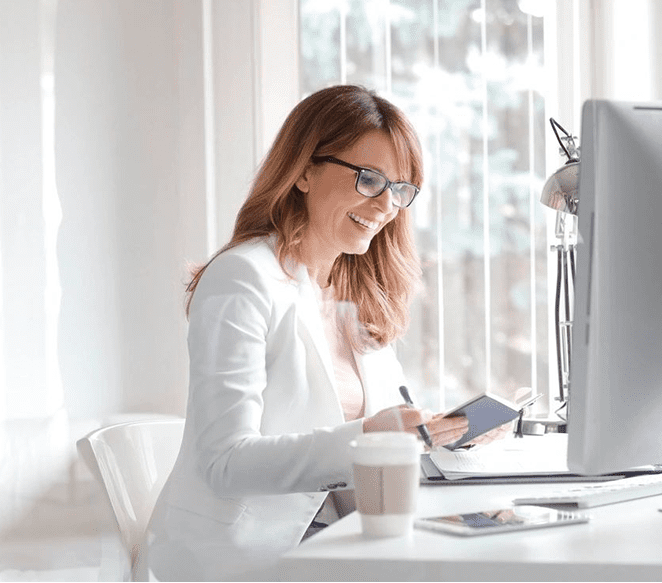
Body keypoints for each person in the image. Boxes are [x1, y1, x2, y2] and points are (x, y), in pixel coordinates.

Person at [145, 85, 507, 582]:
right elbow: (224, 463)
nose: (386, 206)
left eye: (400, 189)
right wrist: (369, 439)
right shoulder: (242, 279)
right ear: (304, 171)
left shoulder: (354, 293)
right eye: (369, 179)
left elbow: (385, 427)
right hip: (242, 560)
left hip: (343, 541)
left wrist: (445, 435)